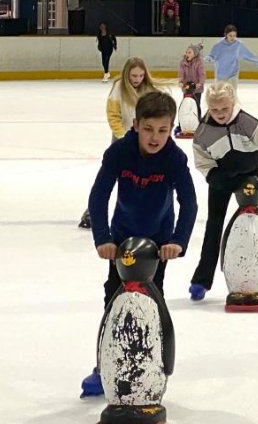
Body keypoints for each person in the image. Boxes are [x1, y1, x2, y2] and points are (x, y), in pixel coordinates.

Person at [80, 91, 198, 396]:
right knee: (113, 299)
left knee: (151, 301)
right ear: (136, 125)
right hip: (122, 240)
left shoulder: (174, 157)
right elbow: (98, 195)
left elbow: (189, 202)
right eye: (148, 129)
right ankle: (104, 363)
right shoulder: (120, 152)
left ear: (171, 128)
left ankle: (151, 360)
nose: (155, 137)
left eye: (162, 130)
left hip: (158, 243)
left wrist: (178, 241)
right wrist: (103, 239)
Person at [189, 82, 258, 301]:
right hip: (221, 178)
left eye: (224, 109)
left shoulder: (247, 122)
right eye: (214, 110)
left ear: (232, 103)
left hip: (249, 177)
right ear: (207, 107)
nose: (220, 114)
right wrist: (214, 177)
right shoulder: (203, 131)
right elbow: (202, 161)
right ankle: (201, 280)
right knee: (214, 226)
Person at [78, 57, 169, 229]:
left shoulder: (148, 90)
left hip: (143, 142)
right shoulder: (118, 88)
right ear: (127, 74)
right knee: (108, 178)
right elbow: (113, 116)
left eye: (141, 75)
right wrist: (123, 137)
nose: (137, 79)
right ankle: (90, 215)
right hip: (121, 141)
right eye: (134, 75)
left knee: (141, 180)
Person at [204, 24, 258, 91]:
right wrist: (209, 58)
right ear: (225, 34)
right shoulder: (218, 45)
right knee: (219, 96)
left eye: (234, 35)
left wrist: (257, 61)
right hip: (220, 75)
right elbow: (212, 56)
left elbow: (247, 54)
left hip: (233, 74)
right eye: (230, 35)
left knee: (232, 96)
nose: (232, 38)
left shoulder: (238, 44)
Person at [178, 43, 205, 111]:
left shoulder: (199, 63)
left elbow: (202, 74)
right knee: (186, 104)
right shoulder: (183, 62)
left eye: (189, 52)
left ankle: (198, 118)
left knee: (196, 105)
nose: (187, 54)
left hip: (197, 89)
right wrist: (180, 81)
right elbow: (181, 73)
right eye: (186, 52)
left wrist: (200, 83)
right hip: (187, 87)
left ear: (195, 54)